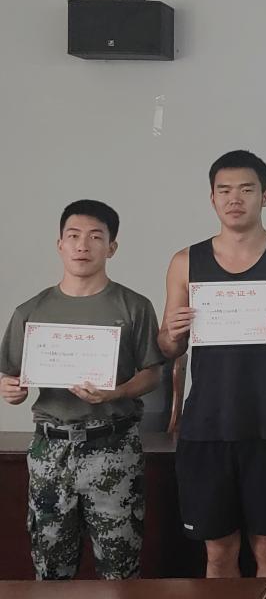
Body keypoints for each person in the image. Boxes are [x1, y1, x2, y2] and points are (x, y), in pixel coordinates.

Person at [158, 150, 266, 599]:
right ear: (212, 198)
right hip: (206, 427)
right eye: (225, 191)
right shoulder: (185, 261)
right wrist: (172, 333)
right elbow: (168, 347)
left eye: (247, 189)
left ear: (264, 196)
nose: (235, 199)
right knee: (218, 552)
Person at [0, 200, 163, 579]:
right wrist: (12, 390)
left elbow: (153, 374)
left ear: (112, 247)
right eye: (73, 236)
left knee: (120, 572)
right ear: (60, 244)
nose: (82, 246)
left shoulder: (134, 306)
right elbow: (10, 375)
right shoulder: (31, 311)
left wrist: (115, 392)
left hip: (114, 447)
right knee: (50, 570)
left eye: (95, 237)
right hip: (50, 451)